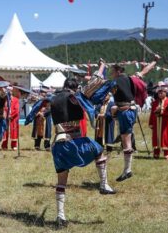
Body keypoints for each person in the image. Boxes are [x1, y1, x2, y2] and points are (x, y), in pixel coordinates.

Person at [27, 78, 116, 227]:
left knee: (61, 182)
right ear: (74, 88)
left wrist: (29, 118)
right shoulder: (75, 96)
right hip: (73, 143)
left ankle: (60, 216)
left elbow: (36, 107)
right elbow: (94, 97)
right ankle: (103, 185)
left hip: (58, 146)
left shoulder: (52, 98)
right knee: (99, 150)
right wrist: (109, 84)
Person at [110, 55, 160, 182]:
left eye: (113, 71)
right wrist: (155, 60)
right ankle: (119, 134)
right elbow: (145, 70)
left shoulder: (118, 81)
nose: (111, 73)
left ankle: (127, 170)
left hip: (126, 111)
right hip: (128, 111)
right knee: (114, 113)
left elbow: (145, 70)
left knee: (126, 143)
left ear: (118, 71)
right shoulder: (132, 78)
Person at [148, 82, 168, 160]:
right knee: (156, 137)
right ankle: (156, 152)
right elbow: (152, 114)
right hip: (156, 123)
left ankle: (167, 153)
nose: (160, 94)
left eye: (162, 92)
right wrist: (151, 123)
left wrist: (161, 111)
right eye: (159, 92)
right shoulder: (155, 102)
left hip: (166, 123)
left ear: (165, 92)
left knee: (166, 137)